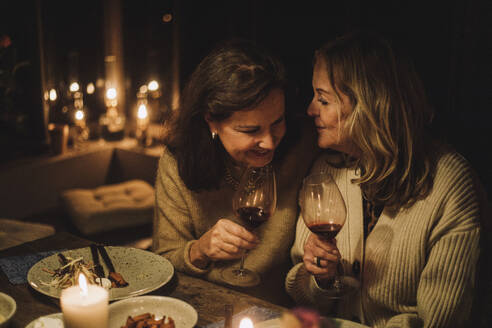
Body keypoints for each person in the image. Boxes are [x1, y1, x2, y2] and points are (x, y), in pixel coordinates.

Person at [285, 30, 489, 327]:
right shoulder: (326, 170)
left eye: (323, 100)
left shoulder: (450, 186)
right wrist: (322, 280)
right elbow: (302, 297)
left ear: (368, 107)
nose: (310, 110)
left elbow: (444, 321)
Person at [152, 38, 318, 305]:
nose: (270, 141)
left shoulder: (302, 146)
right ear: (211, 121)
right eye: (251, 130)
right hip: (205, 306)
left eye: (278, 122)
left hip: (280, 309)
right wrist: (199, 250)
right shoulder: (180, 160)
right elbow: (163, 260)